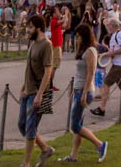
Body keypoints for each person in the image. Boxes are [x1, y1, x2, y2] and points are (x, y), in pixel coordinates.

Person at [60, 28, 108, 163]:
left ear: (85, 37)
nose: (77, 39)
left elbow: (90, 73)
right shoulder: (84, 50)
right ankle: (73, 156)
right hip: (79, 90)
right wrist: (74, 90)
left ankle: (100, 144)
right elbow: (79, 73)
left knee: (75, 126)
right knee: (78, 125)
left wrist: (84, 93)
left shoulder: (90, 51)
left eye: (79, 36)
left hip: (84, 91)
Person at [19, 25, 58, 167]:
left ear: (38, 28)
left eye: (30, 28)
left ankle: (26, 163)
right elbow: (29, 69)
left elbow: (48, 71)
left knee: (30, 127)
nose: (27, 30)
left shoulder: (47, 45)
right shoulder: (33, 43)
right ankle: (46, 149)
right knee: (22, 125)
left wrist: (40, 95)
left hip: (38, 93)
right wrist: (23, 88)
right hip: (28, 91)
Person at [96, 17, 121, 120]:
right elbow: (115, 51)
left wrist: (112, 53)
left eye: (108, 25)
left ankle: (102, 109)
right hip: (118, 63)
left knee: (106, 83)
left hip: (120, 64)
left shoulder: (120, 34)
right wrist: (104, 55)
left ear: (112, 26)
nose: (107, 27)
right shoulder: (114, 35)